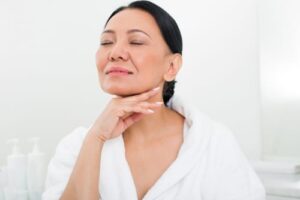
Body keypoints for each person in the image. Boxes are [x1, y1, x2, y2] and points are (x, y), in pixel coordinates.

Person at [42, 1, 266, 199]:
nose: (115, 52)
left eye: (136, 42)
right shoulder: (78, 146)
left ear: (171, 66)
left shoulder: (214, 143)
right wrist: (96, 138)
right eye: (106, 42)